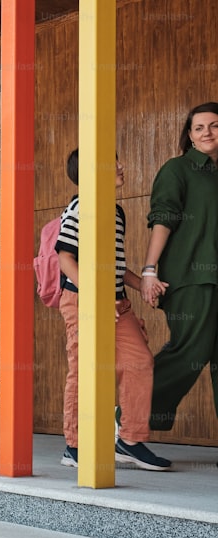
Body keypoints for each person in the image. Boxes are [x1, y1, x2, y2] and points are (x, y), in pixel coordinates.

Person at [56, 149, 170, 471]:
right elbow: (65, 259)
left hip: (117, 302)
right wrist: (95, 297)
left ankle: (129, 440)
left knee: (139, 361)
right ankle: (75, 446)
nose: (121, 166)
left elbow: (116, 267)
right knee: (84, 370)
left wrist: (144, 284)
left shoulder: (117, 212)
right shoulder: (79, 208)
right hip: (82, 301)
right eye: (113, 161)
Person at [140, 102, 218, 435]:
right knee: (190, 350)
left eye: (214, 125)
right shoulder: (178, 169)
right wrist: (149, 270)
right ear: (189, 134)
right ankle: (128, 416)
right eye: (199, 128)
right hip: (190, 278)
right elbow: (163, 218)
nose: (207, 133)